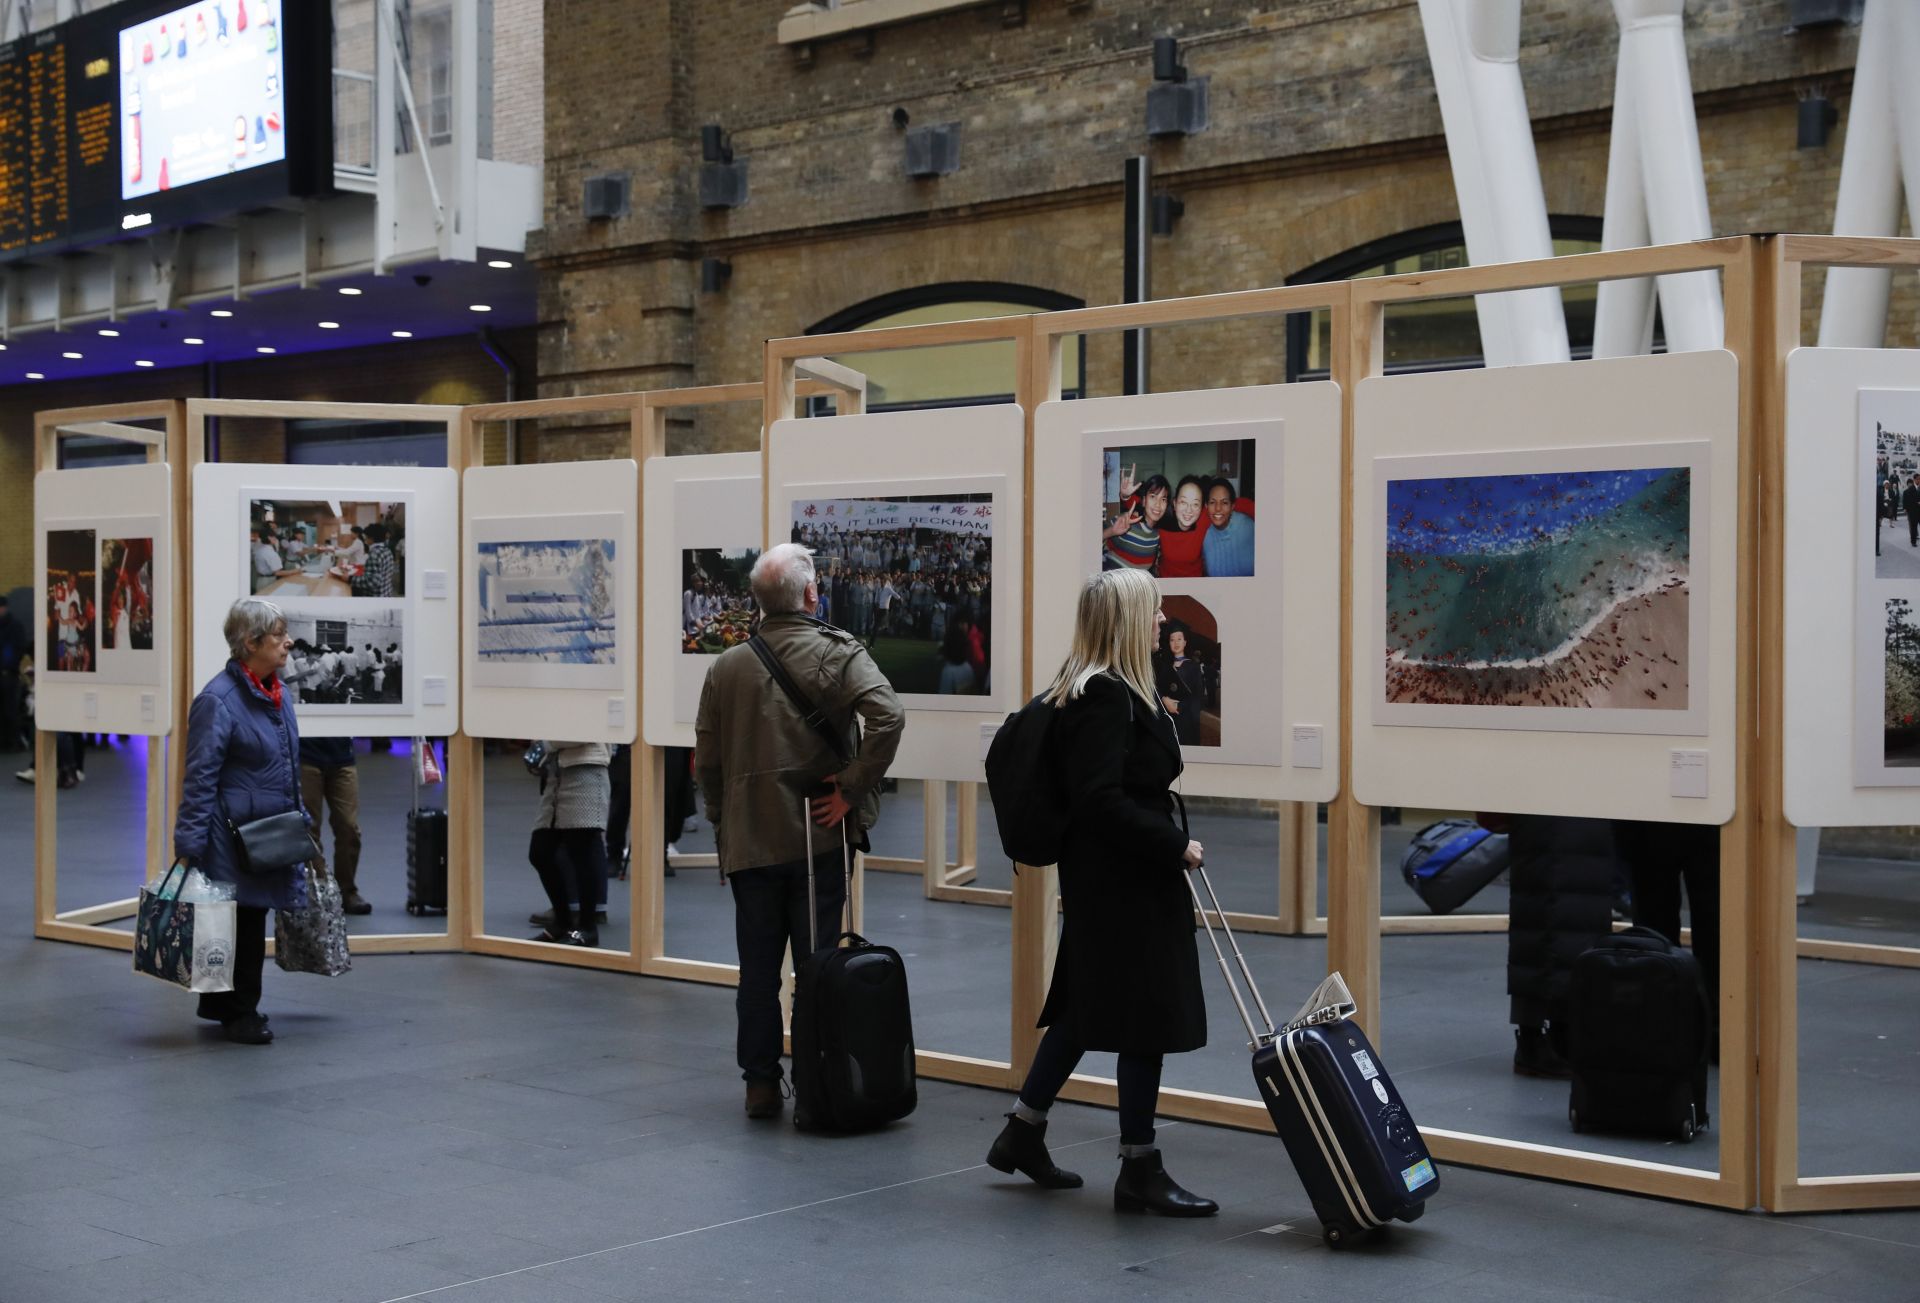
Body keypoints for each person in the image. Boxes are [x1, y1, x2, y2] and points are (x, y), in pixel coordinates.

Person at [985, 567, 1217, 1216]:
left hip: (1109, 874)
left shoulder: (1092, 689)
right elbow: (1100, 799)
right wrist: (1174, 844)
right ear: (1124, 623)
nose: (1161, 622)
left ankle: (1023, 1129)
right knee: (1144, 1015)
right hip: (1125, 877)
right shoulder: (1106, 696)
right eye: (1152, 612)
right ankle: (1138, 1165)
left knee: (1087, 1005)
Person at [694, 542, 905, 1119]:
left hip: (752, 842)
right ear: (812, 594)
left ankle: (760, 1085)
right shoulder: (837, 651)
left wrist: (723, 826)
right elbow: (889, 715)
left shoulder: (725, 666)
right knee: (817, 969)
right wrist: (852, 789)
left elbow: (707, 764)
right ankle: (819, 1082)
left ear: (756, 601)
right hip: (816, 840)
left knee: (757, 974)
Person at [171, 598, 311, 1045]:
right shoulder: (218, 700)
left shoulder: (277, 692)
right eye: (277, 635)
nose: (287, 642)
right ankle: (241, 1012)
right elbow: (200, 776)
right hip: (230, 835)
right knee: (243, 922)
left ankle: (223, 1004)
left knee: (246, 918)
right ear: (250, 643)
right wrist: (190, 840)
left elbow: (287, 763)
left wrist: (300, 817)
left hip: (265, 830)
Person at [1488, 813, 1620, 1077]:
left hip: (1557, 814)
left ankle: (1551, 1032)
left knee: (1552, 920)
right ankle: (1536, 1037)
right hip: (1571, 812)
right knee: (1549, 920)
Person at [527, 741, 615, 946]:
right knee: (540, 851)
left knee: (583, 851)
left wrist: (544, 743)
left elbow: (583, 729)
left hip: (587, 771)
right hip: (558, 773)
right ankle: (563, 921)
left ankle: (587, 928)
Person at [300, 734, 370, 915]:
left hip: (342, 755)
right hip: (306, 754)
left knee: (349, 827)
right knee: (309, 830)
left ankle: (346, 890)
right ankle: (321, 891)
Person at [1103, 471, 1171, 571]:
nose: (1158, 504)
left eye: (1163, 499)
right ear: (1143, 501)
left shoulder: (1157, 535)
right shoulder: (1128, 522)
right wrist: (1111, 531)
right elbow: (1092, 542)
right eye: (1153, 496)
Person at [1155, 622, 1208, 747]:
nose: (1176, 643)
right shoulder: (1165, 667)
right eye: (1172, 640)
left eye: (1179, 639)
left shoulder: (1193, 667)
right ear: (1169, 643)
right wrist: (1164, 700)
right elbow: (1156, 689)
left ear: (1185, 642)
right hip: (1167, 718)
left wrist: (1179, 706)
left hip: (1186, 720)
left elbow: (1198, 697)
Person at [1201, 477, 1255, 577]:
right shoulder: (1203, 534)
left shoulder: (1249, 526)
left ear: (1232, 506)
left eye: (1224, 502)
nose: (1218, 508)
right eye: (1212, 502)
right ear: (1206, 506)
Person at [1157, 476, 1209, 579]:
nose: (1189, 510)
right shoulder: (1162, 518)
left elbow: (1231, 504)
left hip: (1195, 583)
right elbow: (1145, 506)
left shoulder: (1204, 519)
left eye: (1195, 504)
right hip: (1166, 582)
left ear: (1202, 507)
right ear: (1175, 503)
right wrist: (1125, 496)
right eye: (1183, 502)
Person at [0, 596, 25, 751]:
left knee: (10, 710)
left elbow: (17, 649)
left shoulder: (14, 626)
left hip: (9, 673)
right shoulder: (14, 625)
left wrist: (8, 663)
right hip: (5, 672)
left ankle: (13, 741)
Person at [1905, 474, 1920, 549]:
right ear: (1914, 480)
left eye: (1919, 479)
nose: (1918, 480)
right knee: (1914, 527)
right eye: (1917, 479)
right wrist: (1917, 502)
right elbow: (1909, 501)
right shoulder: (1911, 489)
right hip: (1913, 512)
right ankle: (1913, 542)